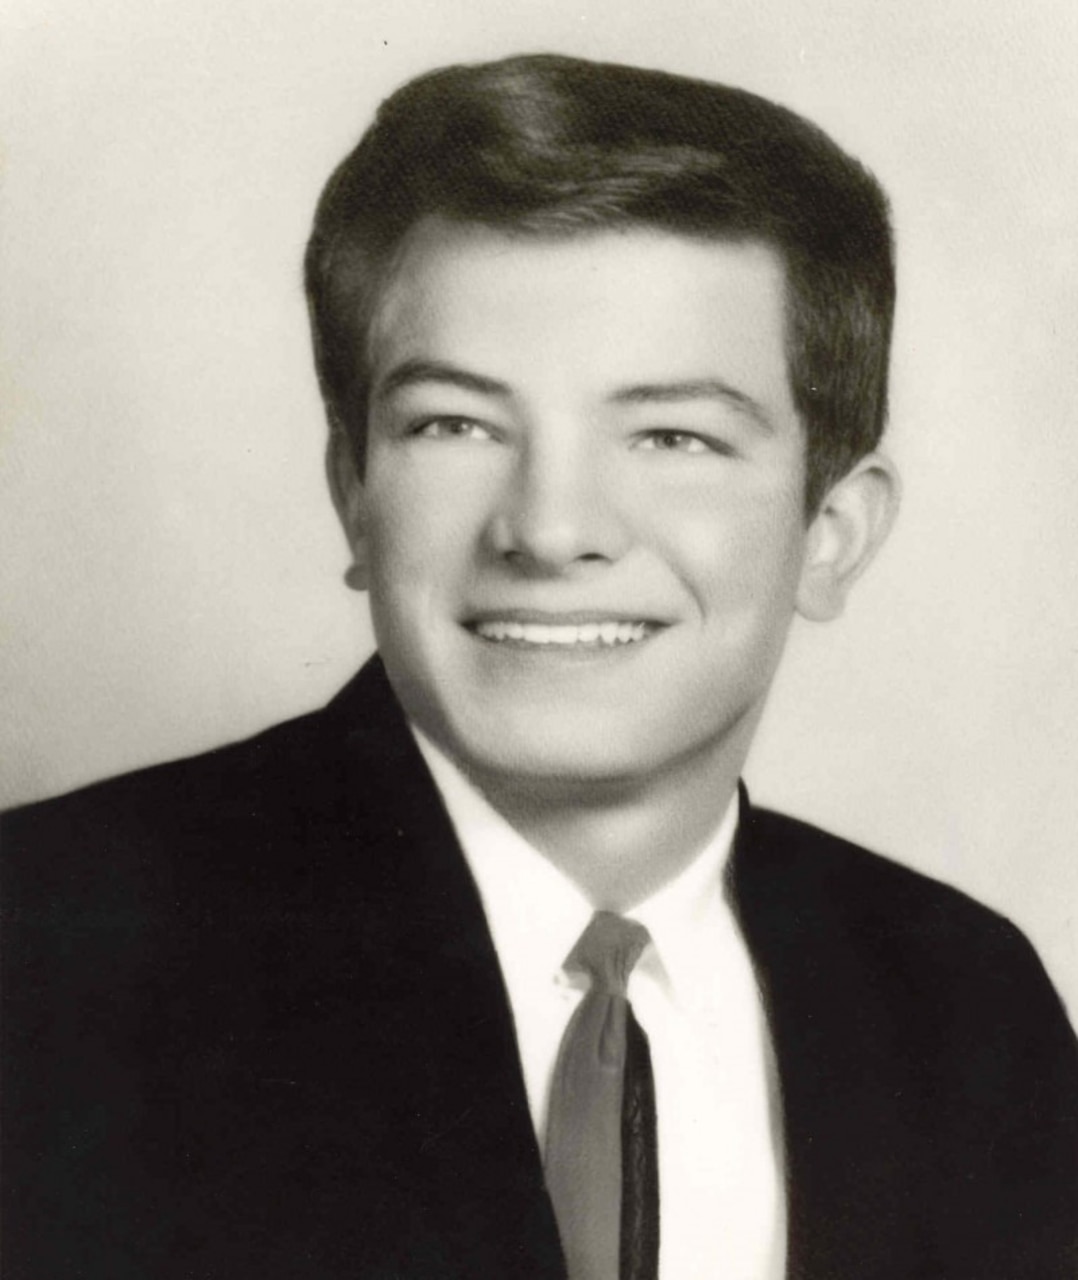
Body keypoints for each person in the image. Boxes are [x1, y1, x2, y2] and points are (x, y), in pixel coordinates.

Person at [2, 53, 1076, 1280]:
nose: (551, 527)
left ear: (829, 534)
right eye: (454, 424)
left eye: (673, 434)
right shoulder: (44, 953)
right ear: (355, 495)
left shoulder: (967, 1008)